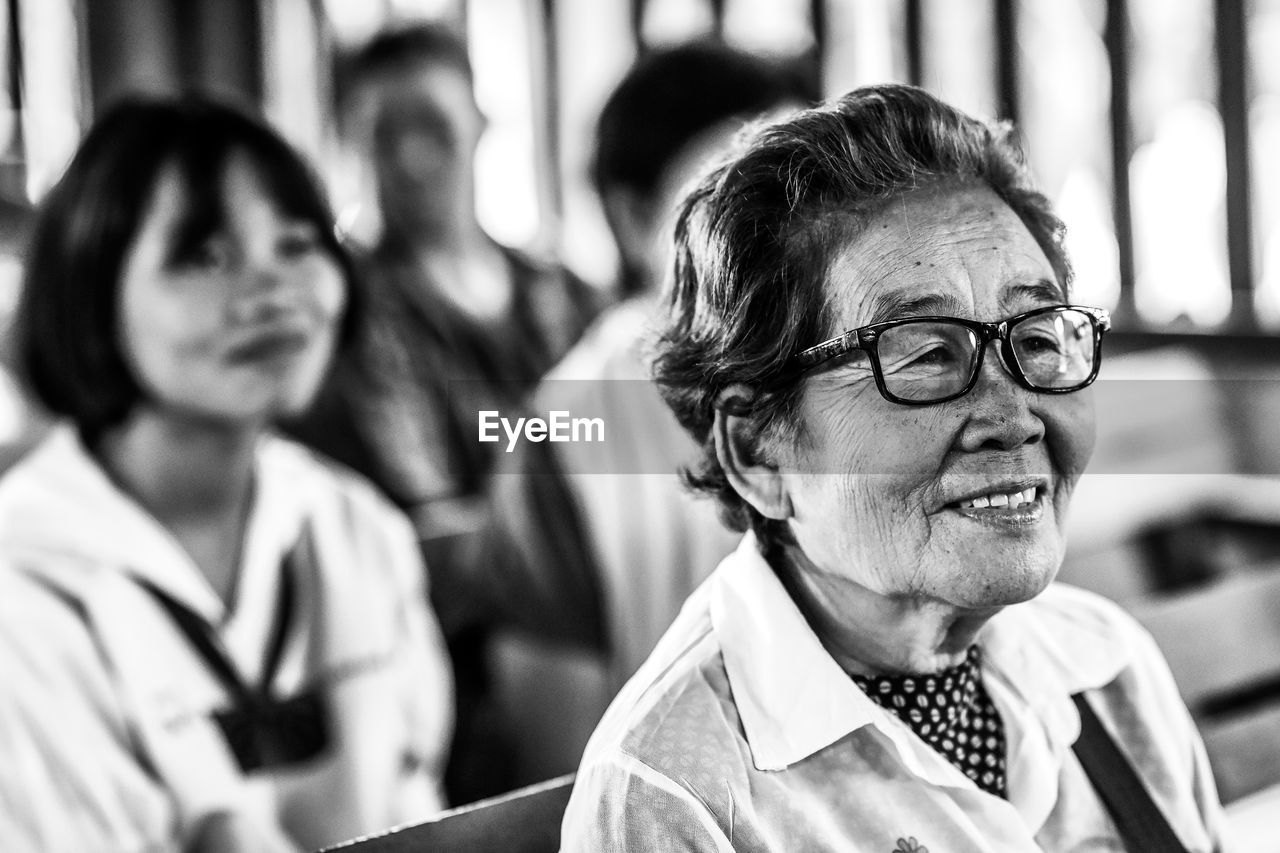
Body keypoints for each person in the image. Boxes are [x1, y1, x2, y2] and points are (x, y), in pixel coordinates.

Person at [560, 84, 1226, 851]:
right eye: (923, 355)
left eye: (1038, 337)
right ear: (757, 451)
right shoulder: (681, 797)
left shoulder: (1107, 672)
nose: (1012, 417)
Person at [0, 95, 453, 852]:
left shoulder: (356, 526)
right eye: (206, 255)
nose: (272, 289)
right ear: (90, 288)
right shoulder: (24, 577)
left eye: (298, 241)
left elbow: (426, 807)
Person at [282, 21, 601, 803]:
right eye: (382, 134)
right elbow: (424, 534)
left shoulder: (564, 293)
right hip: (437, 705)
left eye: (433, 126)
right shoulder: (348, 318)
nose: (411, 158)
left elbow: (629, 458)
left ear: (481, 124)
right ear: (350, 140)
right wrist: (574, 525)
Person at [490, 42, 816, 691]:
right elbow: (557, 757)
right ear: (634, 215)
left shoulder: (866, 356)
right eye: (739, 187)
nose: (792, 222)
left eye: (805, 183)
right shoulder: (563, 430)